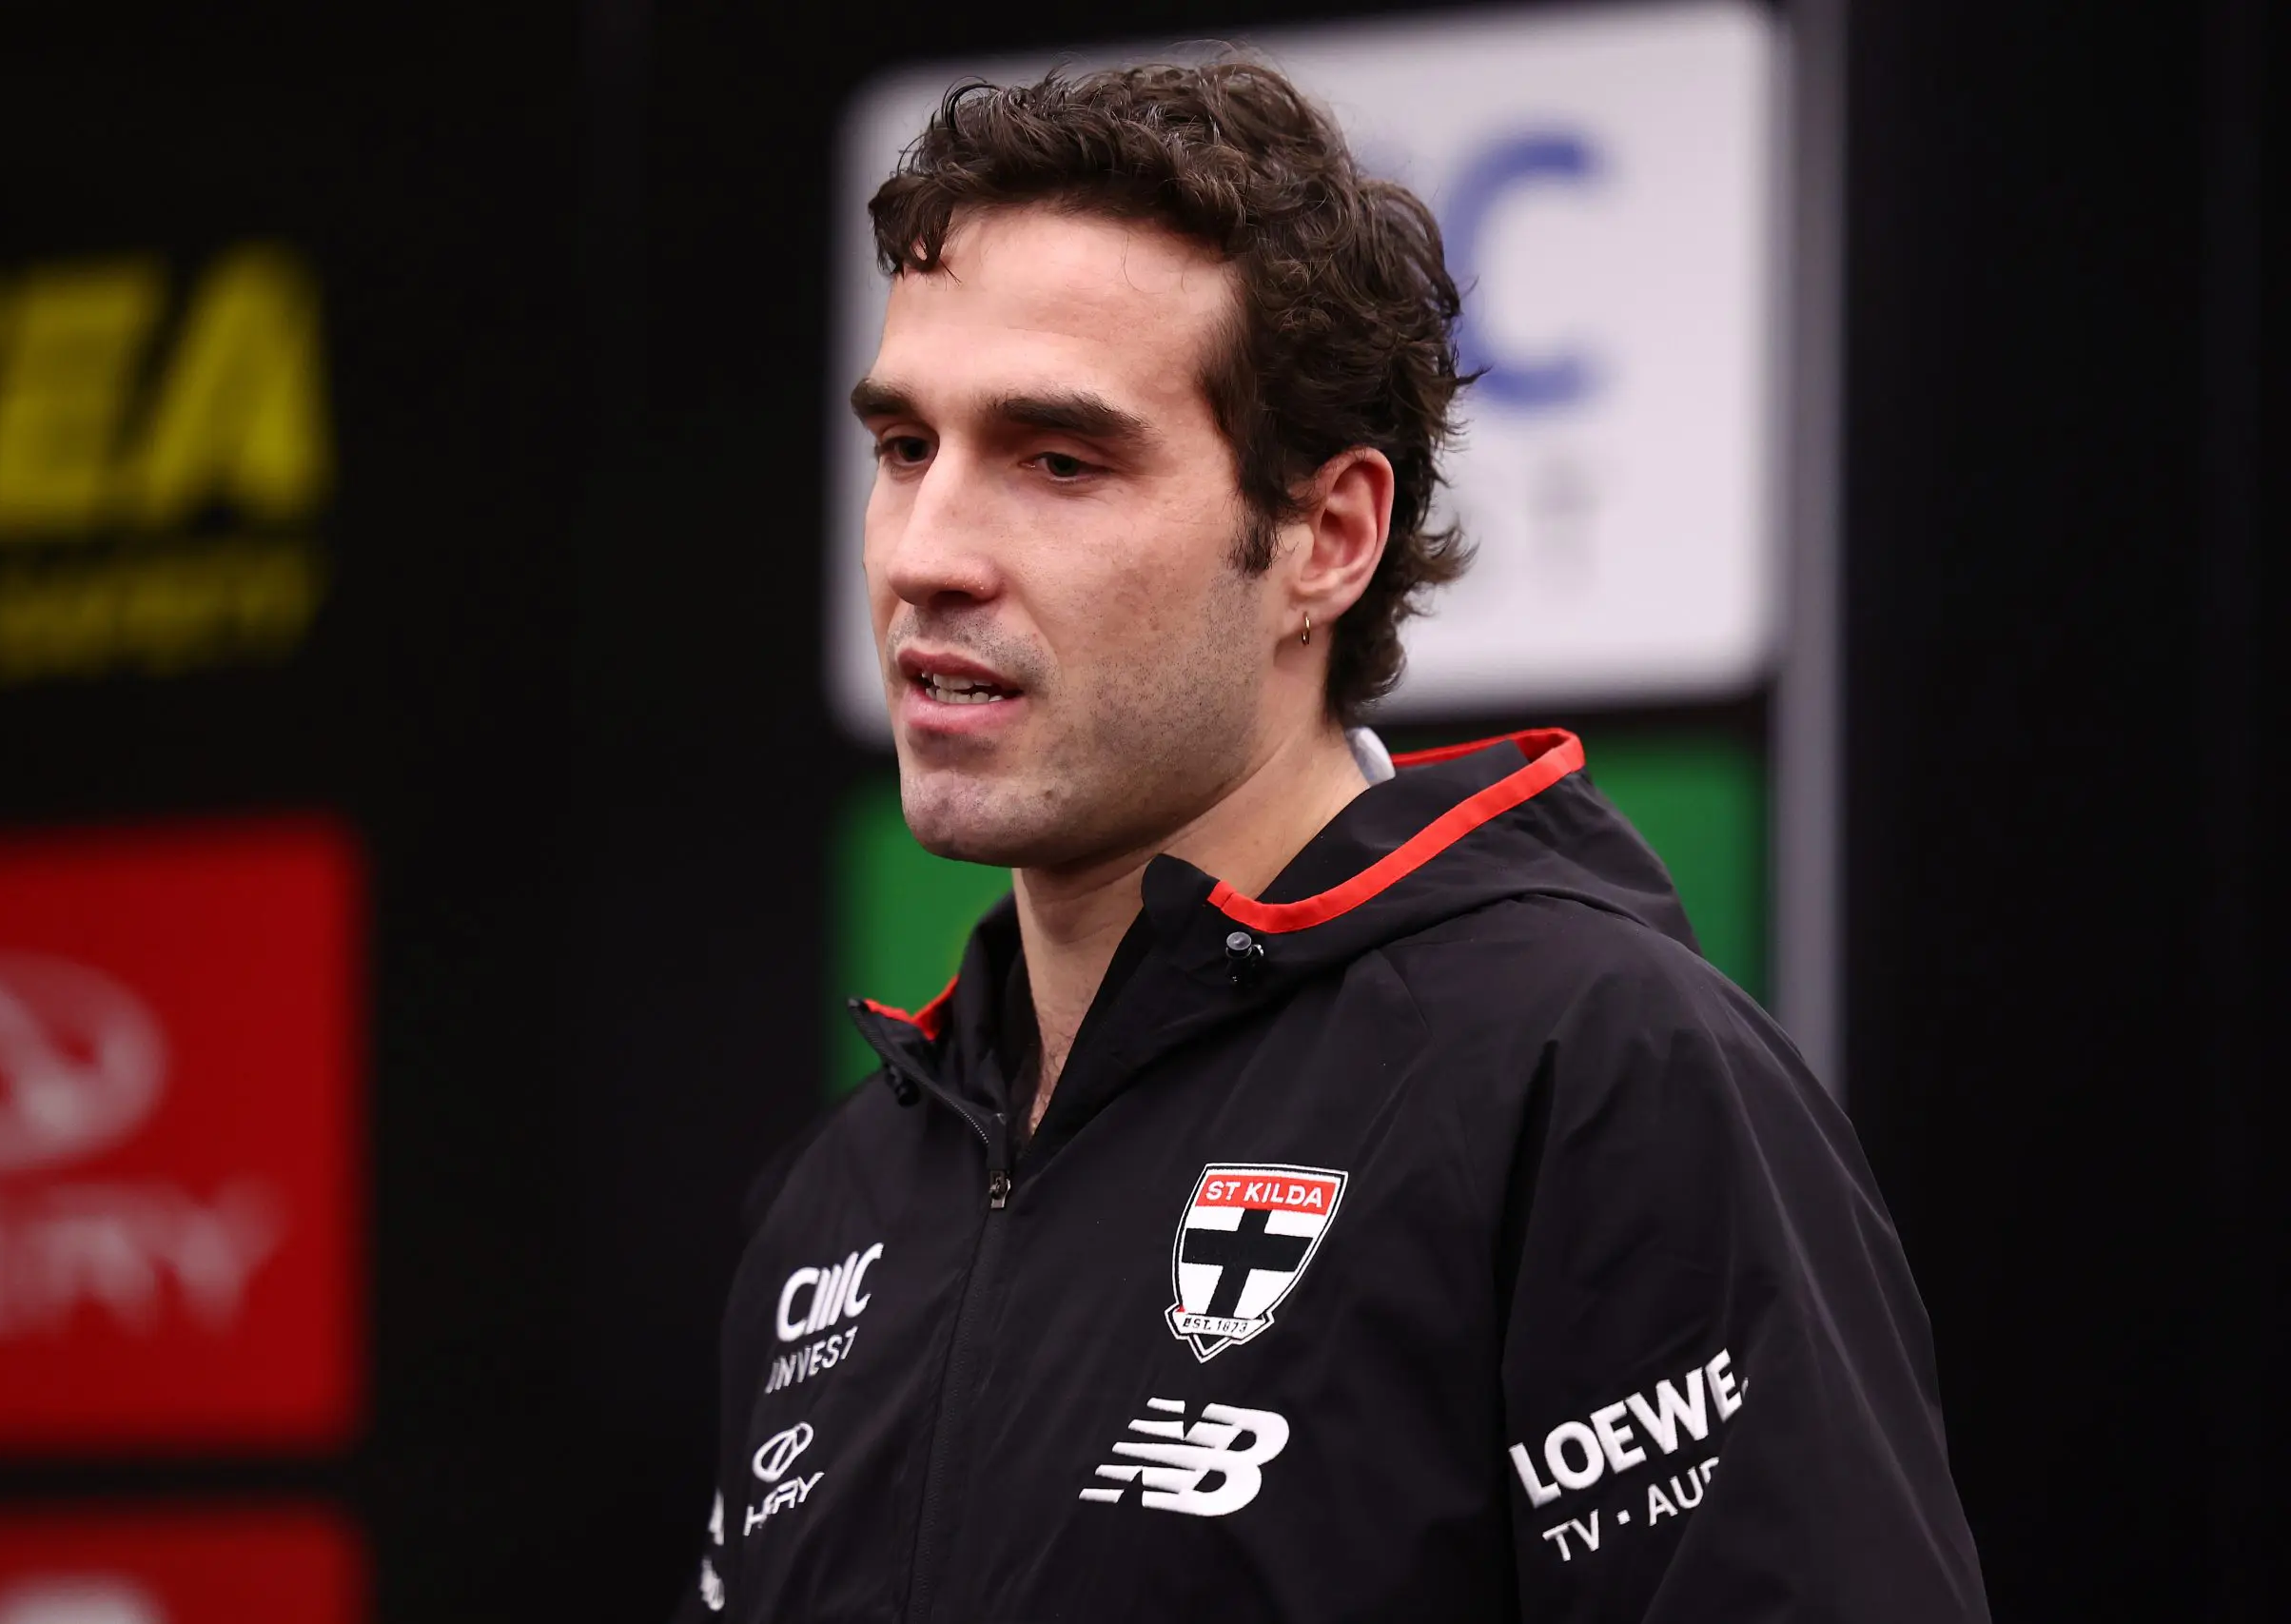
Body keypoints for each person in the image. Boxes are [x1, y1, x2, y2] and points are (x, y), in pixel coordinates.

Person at [678, 60, 1989, 1623]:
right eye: (905, 449)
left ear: (1328, 537)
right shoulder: (845, 1197)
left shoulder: (1591, 1076)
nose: (929, 554)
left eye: (1059, 460)